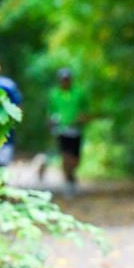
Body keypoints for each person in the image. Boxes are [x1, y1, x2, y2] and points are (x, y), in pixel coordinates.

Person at [44, 67, 87, 196]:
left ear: (71, 80)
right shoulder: (54, 94)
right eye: (63, 79)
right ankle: (68, 182)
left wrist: (82, 117)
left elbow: (85, 110)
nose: (65, 81)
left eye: (67, 79)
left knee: (75, 159)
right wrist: (50, 122)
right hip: (61, 130)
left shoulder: (79, 93)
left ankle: (71, 176)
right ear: (59, 80)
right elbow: (50, 111)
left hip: (76, 129)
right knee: (65, 156)